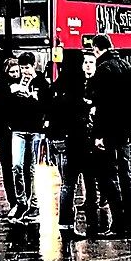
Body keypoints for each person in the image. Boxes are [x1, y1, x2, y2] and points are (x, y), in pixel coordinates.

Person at [83, 36, 131, 237]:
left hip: (108, 130)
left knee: (109, 175)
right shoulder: (129, 67)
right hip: (126, 129)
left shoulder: (104, 69)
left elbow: (101, 105)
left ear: (96, 49)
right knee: (126, 174)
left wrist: (98, 134)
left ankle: (118, 223)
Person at [0, 52, 48, 222]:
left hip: (35, 129)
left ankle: (34, 204)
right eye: (22, 69)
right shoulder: (15, 84)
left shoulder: (41, 83)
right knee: (16, 166)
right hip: (18, 129)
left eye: (27, 68)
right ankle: (21, 200)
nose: (25, 72)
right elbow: (5, 107)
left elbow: (46, 106)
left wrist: (32, 98)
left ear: (34, 66)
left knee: (31, 168)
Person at [46, 48, 94, 233]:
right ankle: (66, 223)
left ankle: (65, 223)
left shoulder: (57, 85)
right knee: (70, 183)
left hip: (57, 139)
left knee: (66, 181)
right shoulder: (76, 84)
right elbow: (75, 112)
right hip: (72, 139)